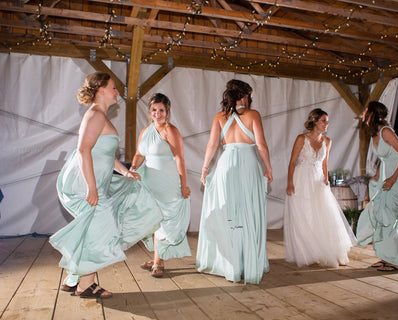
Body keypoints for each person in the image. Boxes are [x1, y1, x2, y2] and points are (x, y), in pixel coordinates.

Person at [50, 72, 164, 298]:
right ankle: (86, 284)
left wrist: (125, 172)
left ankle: (72, 279)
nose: (116, 92)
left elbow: (104, 153)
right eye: (113, 87)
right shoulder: (95, 115)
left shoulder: (101, 116)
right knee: (102, 231)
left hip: (98, 180)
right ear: (100, 89)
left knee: (94, 229)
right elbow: (83, 151)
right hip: (86, 183)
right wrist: (92, 189)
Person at [196, 79, 273, 284]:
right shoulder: (253, 115)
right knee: (248, 211)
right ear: (246, 95)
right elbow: (261, 145)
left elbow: (212, 145)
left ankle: (231, 265)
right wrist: (268, 167)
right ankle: (247, 264)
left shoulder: (220, 117)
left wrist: (204, 170)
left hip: (226, 165)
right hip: (247, 164)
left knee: (229, 212)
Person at [284, 108, 357, 267]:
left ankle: (323, 250)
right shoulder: (301, 139)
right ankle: (306, 252)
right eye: (324, 120)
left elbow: (325, 163)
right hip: (302, 179)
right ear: (314, 121)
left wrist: (326, 180)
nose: (326, 124)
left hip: (318, 180)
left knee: (323, 214)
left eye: (327, 121)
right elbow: (292, 162)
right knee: (305, 214)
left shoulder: (328, 141)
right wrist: (290, 182)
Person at [130, 93, 192, 277]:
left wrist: (184, 185)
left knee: (164, 221)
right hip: (150, 182)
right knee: (152, 219)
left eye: (161, 110)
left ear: (167, 111)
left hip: (168, 183)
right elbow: (140, 154)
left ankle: (158, 262)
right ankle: (158, 259)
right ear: (149, 112)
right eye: (154, 110)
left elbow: (179, 158)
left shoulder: (171, 131)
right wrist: (132, 168)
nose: (158, 113)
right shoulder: (145, 132)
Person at [356, 101, 398, 272]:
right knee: (380, 216)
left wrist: (393, 177)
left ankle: (396, 261)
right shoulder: (374, 134)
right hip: (387, 177)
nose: (362, 113)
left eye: (365, 110)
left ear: (371, 113)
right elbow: (385, 158)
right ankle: (385, 258)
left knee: (389, 217)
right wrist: (377, 175)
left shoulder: (386, 132)